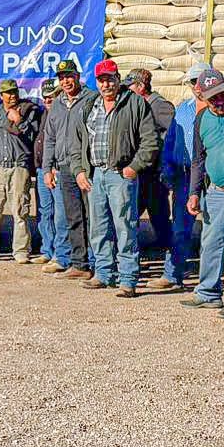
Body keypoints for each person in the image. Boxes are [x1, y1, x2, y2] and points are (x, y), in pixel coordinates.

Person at [71, 59, 158, 295]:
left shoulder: (135, 103)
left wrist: (134, 167)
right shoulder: (90, 105)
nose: (106, 84)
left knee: (125, 227)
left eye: (110, 79)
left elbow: (150, 141)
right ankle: (103, 273)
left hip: (121, 175)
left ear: (118, 79)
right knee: (98, 227)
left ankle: (128, 278)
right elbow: (76, 142)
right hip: (95, 175)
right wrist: (79, 170)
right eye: (101, 80)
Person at [182, 69, 224, 315]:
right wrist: (194, 192)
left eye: (223, 94)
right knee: (210, 242)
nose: (220, 101)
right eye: (213, 98)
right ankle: (208, 293)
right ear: (202, 96)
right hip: (215, 192)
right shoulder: (202, 118)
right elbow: (198, 159)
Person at [38, 60, 98, 278]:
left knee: (93, 216)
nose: (66, 81)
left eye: (69, 76)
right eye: (62, 78)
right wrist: (47, 168)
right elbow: (50, 138)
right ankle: (79, 264)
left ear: (78, 76)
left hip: (87, 167)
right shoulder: (57, 104)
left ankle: (97, 263)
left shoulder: (91, 99)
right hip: (64, 168)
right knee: (73, 217)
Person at [149, 65, 205, 291]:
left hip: (211, 176)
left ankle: (210, 281)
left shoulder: (221, 111)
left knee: (216, 230)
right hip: (185, 175)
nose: (197, 86)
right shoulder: (183, 110)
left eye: (200, 80)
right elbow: (171, 140)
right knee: (180, 227)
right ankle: (172, 274)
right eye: (192, 82)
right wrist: (167, 167)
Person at [0, 78, 41, 262]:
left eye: (14, 92)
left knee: (20, 211)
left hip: (19, 166)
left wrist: (19, 120)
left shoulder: (29, 110)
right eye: (8, 93)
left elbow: (33, 135)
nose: (12, 96)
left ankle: (21, 250)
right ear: (1, 95)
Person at [126, 67, 175, 256]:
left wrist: (164, 163)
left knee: (158, 211)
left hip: (155, 170)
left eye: (130, 86)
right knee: (139, 207)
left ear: (141, 86)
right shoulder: (139, 105)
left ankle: (170, 249)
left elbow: (171, 136)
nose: (127, 90)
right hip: (143, 169)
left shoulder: (159, 106)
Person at [32, 80, 60, 266]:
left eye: (51, 97)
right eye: (45, 97)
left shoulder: (62, 114)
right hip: (42, 169)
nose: (48, 100)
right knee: (44, 211)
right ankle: (47, 249)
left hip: (57, 168)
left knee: (60, 212)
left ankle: (60, 252)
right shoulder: (42, 114)